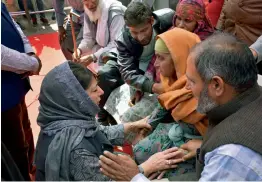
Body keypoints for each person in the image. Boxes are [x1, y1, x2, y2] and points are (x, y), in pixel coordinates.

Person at [99, 33, 262, 181]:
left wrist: (134, 177)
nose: (188, 89)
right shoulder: (248, 99)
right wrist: (202, 150)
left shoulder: (232, 156)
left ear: (217, 85)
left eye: (192, 81)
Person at [34, 61, 152, 181]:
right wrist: (144, 169)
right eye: (94, 90)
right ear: (77, 99)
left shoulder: (63, 117)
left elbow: (96, 132)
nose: (102, 91)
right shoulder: (78, 152)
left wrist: (131, 126)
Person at [133, 28, 208, 179]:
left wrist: (165, 162)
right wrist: (146, 127)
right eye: (156, 57)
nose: (155, 64)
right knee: (139, 152)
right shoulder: (172, 81)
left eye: (161, 58)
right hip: (177, 133)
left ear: (178, 58)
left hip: (198, 146)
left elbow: (219, 135)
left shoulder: (203, 88)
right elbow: (162, 108)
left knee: (162, 173)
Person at [99, 1, 174, 124]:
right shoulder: (123, 39)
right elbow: (129, 73)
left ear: (151, 21)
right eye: (134, 32)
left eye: (144, 30)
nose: (140, 37)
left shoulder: (168, 18)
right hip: (140, 69)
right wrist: (152, 87)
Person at [1, 2, 42, 180]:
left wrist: (30, 52)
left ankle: (32, 166)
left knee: (25, 129)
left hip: (16, 84)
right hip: (4, 96)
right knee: (14, 146)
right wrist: (31, 63)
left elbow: (13, 24)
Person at [72, 0, 126, 66]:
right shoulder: (88, 10)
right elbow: (89, 38)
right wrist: (79, 50)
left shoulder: (114, 12)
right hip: (102, 49)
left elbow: (117, 44)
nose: (90, 5)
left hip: (120, 53)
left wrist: (93, 57)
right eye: (85, 0)